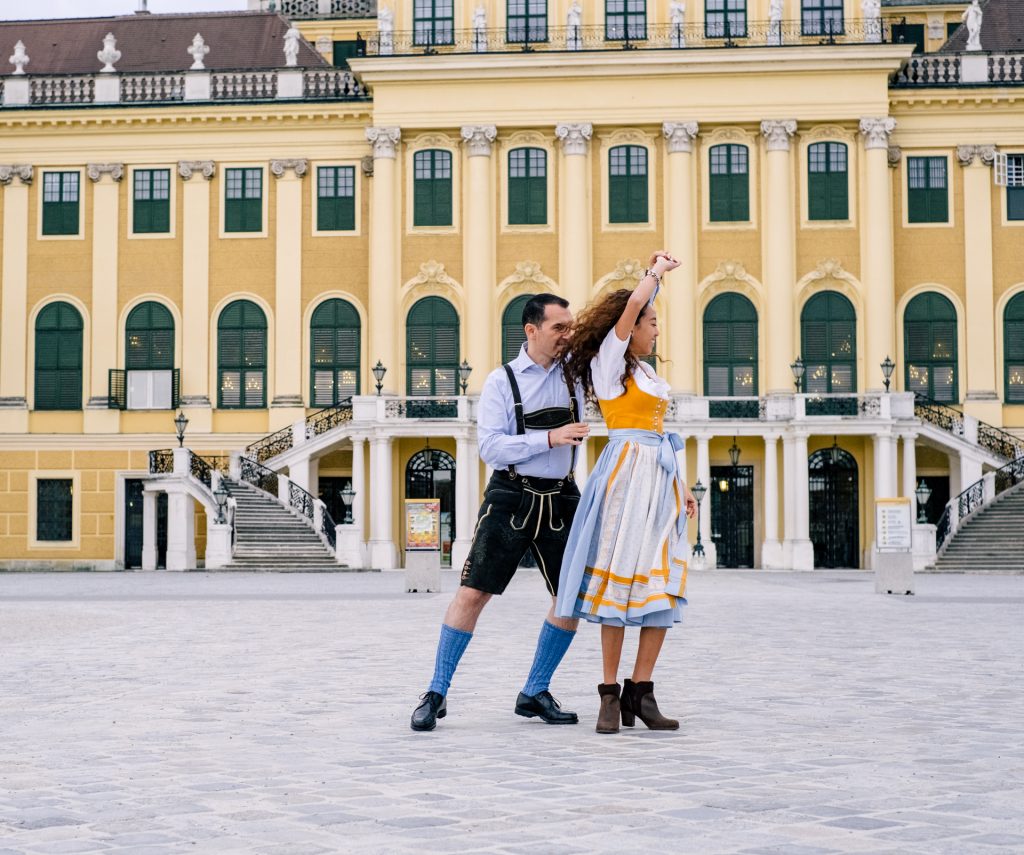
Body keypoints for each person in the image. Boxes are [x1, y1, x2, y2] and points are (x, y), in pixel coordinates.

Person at [410, 294, 590, 732]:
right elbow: (489, 446)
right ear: (531, 331)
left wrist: (653, 280)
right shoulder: (501, 381)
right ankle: (436, 691)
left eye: (570, 326)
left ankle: (535, 690)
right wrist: (549, 439)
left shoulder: (576, 377)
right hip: (511, 494)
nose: (568, 335)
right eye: (559, 328)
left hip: (563, 497)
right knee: (473, 592)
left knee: (570, 597)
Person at [556, 251, 697, 735]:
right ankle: (609, 694)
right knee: (617, 583)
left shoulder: (648, 373)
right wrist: (654, 274)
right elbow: (636, 300)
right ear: (630, 325)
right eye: (651, 322)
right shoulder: (609, 364)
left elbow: (662, 434)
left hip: (658, 479)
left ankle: (643, 689)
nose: (656, 329)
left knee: (660, 585)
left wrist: (683, 487)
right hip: (624, 477)